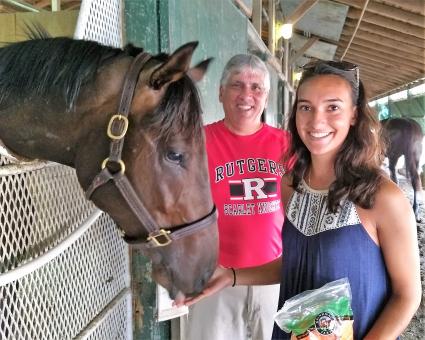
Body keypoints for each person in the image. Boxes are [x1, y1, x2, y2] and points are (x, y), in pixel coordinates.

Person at [180, 60, 422, 339]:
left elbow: (407, 295)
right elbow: (298, 262)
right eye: (306, 107)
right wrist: (232, 276)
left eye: (333, 107)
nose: (317, 121)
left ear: (354, 115)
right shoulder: (291, 185)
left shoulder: (381, 196)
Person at [174, 54, 292, 340]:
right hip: (214, 278)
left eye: (256, 88)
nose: (246, 95)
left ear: (265, 96)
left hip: (273, 275)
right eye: (237, 85)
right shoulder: (194, 143)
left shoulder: (287, 144)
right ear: (220, 92)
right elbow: (174, 208)